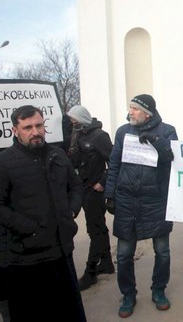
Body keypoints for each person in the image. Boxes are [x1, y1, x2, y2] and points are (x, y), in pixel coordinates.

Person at [0, 105, 86, 321]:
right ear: (15, 131)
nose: (35, 131)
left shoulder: (57, 155)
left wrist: (71, 210)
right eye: (27, 127)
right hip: (26, 257)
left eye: (39, 125)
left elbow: (75, 186)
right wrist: (32, 229)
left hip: (62, 251)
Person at [105, 94, 177, 318]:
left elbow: (173, 159)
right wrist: (110, 194)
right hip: (127, 201)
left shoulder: (167, 131)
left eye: (135, 108)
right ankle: (128, 295)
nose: (131, 112)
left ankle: (158, 290)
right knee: (125, 254)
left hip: (156, 200)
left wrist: (156, 141)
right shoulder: (122, 132)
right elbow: (114, 163)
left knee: (162, 251)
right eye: (130, 108)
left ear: (147, 112)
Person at [67, 105, 115, 291]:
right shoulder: (77, 134)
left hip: (95, 190)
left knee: (94, 230)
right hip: (83, 187)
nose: (72, 122)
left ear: (82, 118)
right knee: (98, 227)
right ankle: (107, 263)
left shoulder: (99, 136)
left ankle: (91, 271)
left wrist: (102, 182)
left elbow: (114, 161)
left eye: (74, 119)